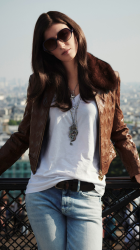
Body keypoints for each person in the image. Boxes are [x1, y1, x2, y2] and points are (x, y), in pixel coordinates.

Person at [0, 11, 140, 250]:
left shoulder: (106, 78)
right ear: (46, 50)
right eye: (51, 43)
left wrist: (136, 168)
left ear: (75, 32)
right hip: (43, 193)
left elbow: (118, 131)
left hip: (87, 194)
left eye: (64, 34)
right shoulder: (41, 83)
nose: (62, 45)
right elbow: (23, 136)